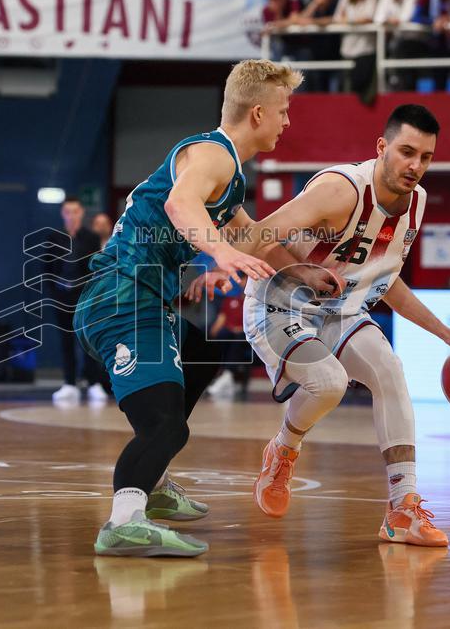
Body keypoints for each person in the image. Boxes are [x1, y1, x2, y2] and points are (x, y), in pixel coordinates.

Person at [235, 105, 450, 547]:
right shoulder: (340, 190)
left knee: (390, 371)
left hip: (340, 308)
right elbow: (254, 238)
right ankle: (282, 450)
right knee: (329, 383)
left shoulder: (417, 203)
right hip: (277, 301)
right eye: (407, 152)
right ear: (382, 147)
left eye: (427, 157)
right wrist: (300, 271)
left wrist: (447, 334)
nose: (416, 166)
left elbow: (385, 279)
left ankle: (402, 507)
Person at [74, 59, 306, 557]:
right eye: (284, 111)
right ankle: (125, 520)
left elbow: (253, 237)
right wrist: (220, 252)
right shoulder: (212, 155)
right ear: (259, 113)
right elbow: (181, 206)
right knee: (165, 425)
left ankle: (153, 483)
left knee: (204, 351)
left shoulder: (231, 177)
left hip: (139, 297)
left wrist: (304, 273)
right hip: (121, 298)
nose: (288, 122)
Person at [48, 197, 107, 405]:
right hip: (62, 299)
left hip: (85, 299)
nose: (71, 215)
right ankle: (69, 383)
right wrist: (54, 295)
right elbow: (46, 270)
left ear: (81, 213)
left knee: (89, 342)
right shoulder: (53, 237)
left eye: (75, 211)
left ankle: (93, 383)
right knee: (66, 342)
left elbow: (96, 267)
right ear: (63, 214)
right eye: (67, 211)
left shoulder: (91, 238)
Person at [205, 276, 251, 400]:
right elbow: (221, 320)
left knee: (239, 337)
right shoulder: (231, 300)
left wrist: (240, 329)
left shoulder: (256, 304)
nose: (246, 282)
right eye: (244, 279)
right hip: (230, 334)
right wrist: (213, 333)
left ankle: (227, 375)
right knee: (222, 335)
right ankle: (221, 375)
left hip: (247, 337)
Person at [334, 0, 379, 97]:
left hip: (366, 50)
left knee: (364, 89)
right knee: (347, 88)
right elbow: (337, 18)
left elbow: (369, 18)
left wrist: (347, 20)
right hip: (347, 49)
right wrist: (355, 20)